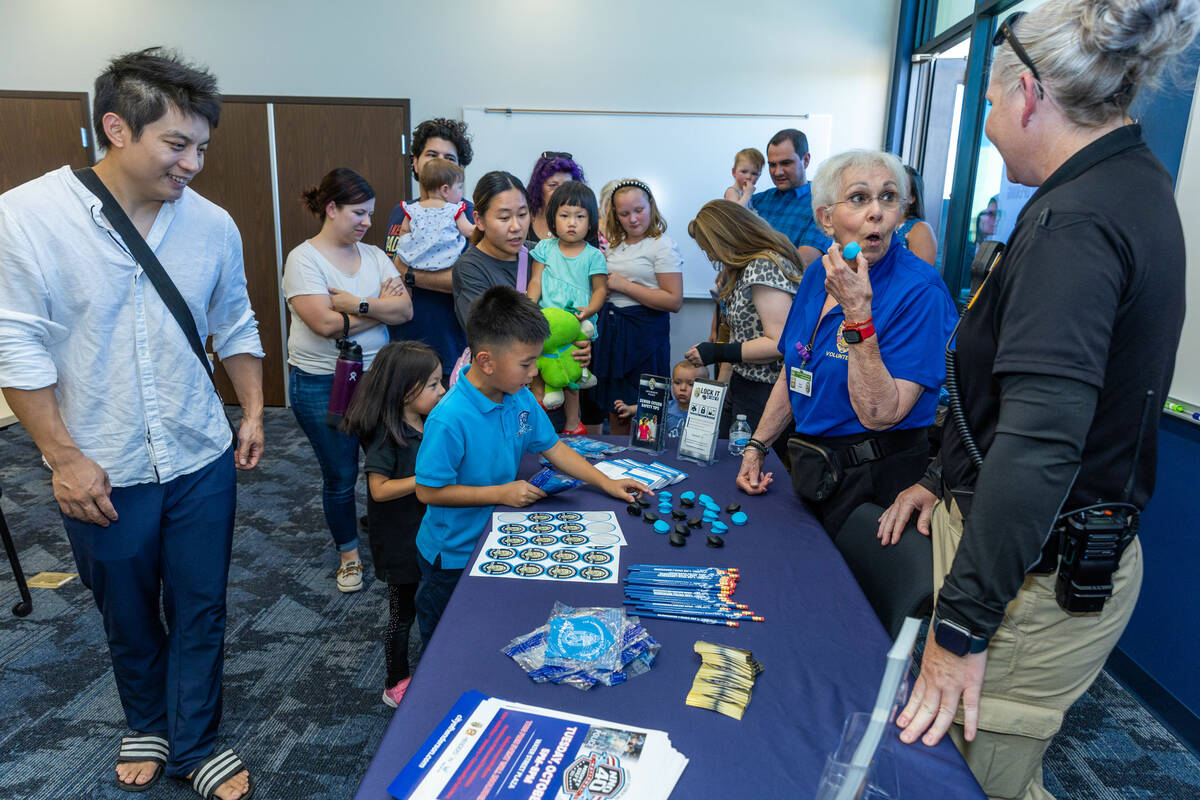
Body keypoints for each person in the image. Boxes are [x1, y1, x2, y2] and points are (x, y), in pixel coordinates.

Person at [874, 4, 1198, 797]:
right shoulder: (1128, 182)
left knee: (970, 776)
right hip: (1036, 554)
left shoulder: (1075, 221)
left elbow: (1042, 444)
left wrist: (961, 628)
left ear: (1025, 94)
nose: (985, 124)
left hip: (1030, 584)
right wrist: (941, 476)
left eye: (985, 105)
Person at [0, 48, 263, 799]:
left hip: (198, 451)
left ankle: (197, 738)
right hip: (100, 461)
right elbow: (15, 345)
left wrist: (248, 411)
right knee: (125, 603)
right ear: (116, 127)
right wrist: (62, 457)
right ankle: (146, 718)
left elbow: (235, 319)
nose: (193, 163)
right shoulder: (28, 218)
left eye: (202, 146)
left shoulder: (211, 225)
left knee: (201, 601)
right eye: (176, 144)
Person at [734, 150, 957, 538]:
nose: (876, 212)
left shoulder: (921, 292)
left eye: (888, 197)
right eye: (858, 198)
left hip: (876, 479)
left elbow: (881, 414)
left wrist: (858, 314)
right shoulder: (819, 275)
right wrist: (758, 445)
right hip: (814, 464)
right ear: (825, 219)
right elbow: (794, 369)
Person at [412, 286, 648, 642]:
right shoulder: (449, 419)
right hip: (453, 554)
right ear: (486, 361)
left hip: (497, 537)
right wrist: (500, 493)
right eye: (525, 363)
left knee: (488, 630)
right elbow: (428, 491)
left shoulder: (519, 394)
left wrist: (605, 481)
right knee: (444, 639)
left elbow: (553, 446)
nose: (534, 370)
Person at [282, 168, 413, 593]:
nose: (367, 222)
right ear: (331, 208)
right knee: (339, 476)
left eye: (371, 214)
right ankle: (349, 555)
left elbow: (405, 312)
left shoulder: (375, 255)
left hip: (379, 380)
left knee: (386, 469)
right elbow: (323, 323)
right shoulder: (304, 259)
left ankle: (388, 544)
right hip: (323, 382)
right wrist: (378, 308)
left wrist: (354, 304)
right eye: (358, 212)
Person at [339, 340, 444, 709]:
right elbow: (379, 490)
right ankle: (394, 682)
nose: (441, 391)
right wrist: (426, 478)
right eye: (433, 385)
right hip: (398, 541)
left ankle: (434, 667)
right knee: (402, 616)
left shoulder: (429, 421)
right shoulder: (388, 434)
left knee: (432, 603)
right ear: (404, 391)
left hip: (427, 535)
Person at [684, 199, 803, 464]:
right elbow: (742, 336)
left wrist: (717, 351)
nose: (711, 256)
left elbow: (778, 342)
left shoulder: (764, 266)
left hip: (768, 391)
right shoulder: (746, 268)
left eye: (710, 249)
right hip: (745, 385)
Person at [386, 118, 475, 384]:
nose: (441, 162)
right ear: (415, 162)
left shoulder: (468, 214)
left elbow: (465, 281)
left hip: (452, 344)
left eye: (450, 157)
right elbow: (391, 270)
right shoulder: (403, 211)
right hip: (404, 341)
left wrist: (410, 275)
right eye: (432, 155)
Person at [594, 179, 684, 435]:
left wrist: (623, 285)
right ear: (615, 215)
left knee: (647, 411)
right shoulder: (614, 245)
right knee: (617, 409)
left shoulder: (662, 245)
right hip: (613, 333)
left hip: (645, 337)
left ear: (651, 206)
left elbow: (673, 300)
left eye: (639, 210)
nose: (633, 219)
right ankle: (618, 466)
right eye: (624, 213)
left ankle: (647, 464)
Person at [527, 181, 608, 434]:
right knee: (540, 366)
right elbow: (536, 281)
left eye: (580, 216)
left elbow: (600, 290)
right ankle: (539, 409)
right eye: (564, 216)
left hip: (576, 324)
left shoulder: (593, 255)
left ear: (591, 220)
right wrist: (530, 309)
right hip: (546, 322)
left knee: (571, 372)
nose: (572, 223)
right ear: (553, 218)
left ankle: (574, 424)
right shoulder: (544, 248)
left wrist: (588, 311)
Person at [749, 128, 832, 265]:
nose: (777, 172)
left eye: (786, 163)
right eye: (772, 165)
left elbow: (802, 264)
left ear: (805, 160)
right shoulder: (756, 201)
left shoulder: (822, 206)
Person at [391, 160, 475, 273]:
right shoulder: (454, 210)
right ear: (445, 190)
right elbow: (469, 231)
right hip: (447, 261)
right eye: (460, 187)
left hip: (415, 261)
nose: (462, 192)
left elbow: (404, 232)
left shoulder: (413, 209)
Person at [614, 360, 709, 439]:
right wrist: (630, 409)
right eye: (677, 382)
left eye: (690, 384)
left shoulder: (706, 413)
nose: (682, 388)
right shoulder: (668, 405)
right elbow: (650, 406)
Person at [526, 151, 588, 244]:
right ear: (539, 188)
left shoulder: (584, 220)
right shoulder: (525, 216)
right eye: (552, 185)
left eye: (567, 185)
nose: (561, 191)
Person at [898, 165, 938, 266]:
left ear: (912, 198)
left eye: (900, 186)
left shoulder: (920, 230)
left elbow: (923, 278)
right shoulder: (878, 223)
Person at [597, 178, 620, 252]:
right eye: (612, 205)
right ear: (602, 203)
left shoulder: (627, 230)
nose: (617, 210)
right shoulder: (590, 228)